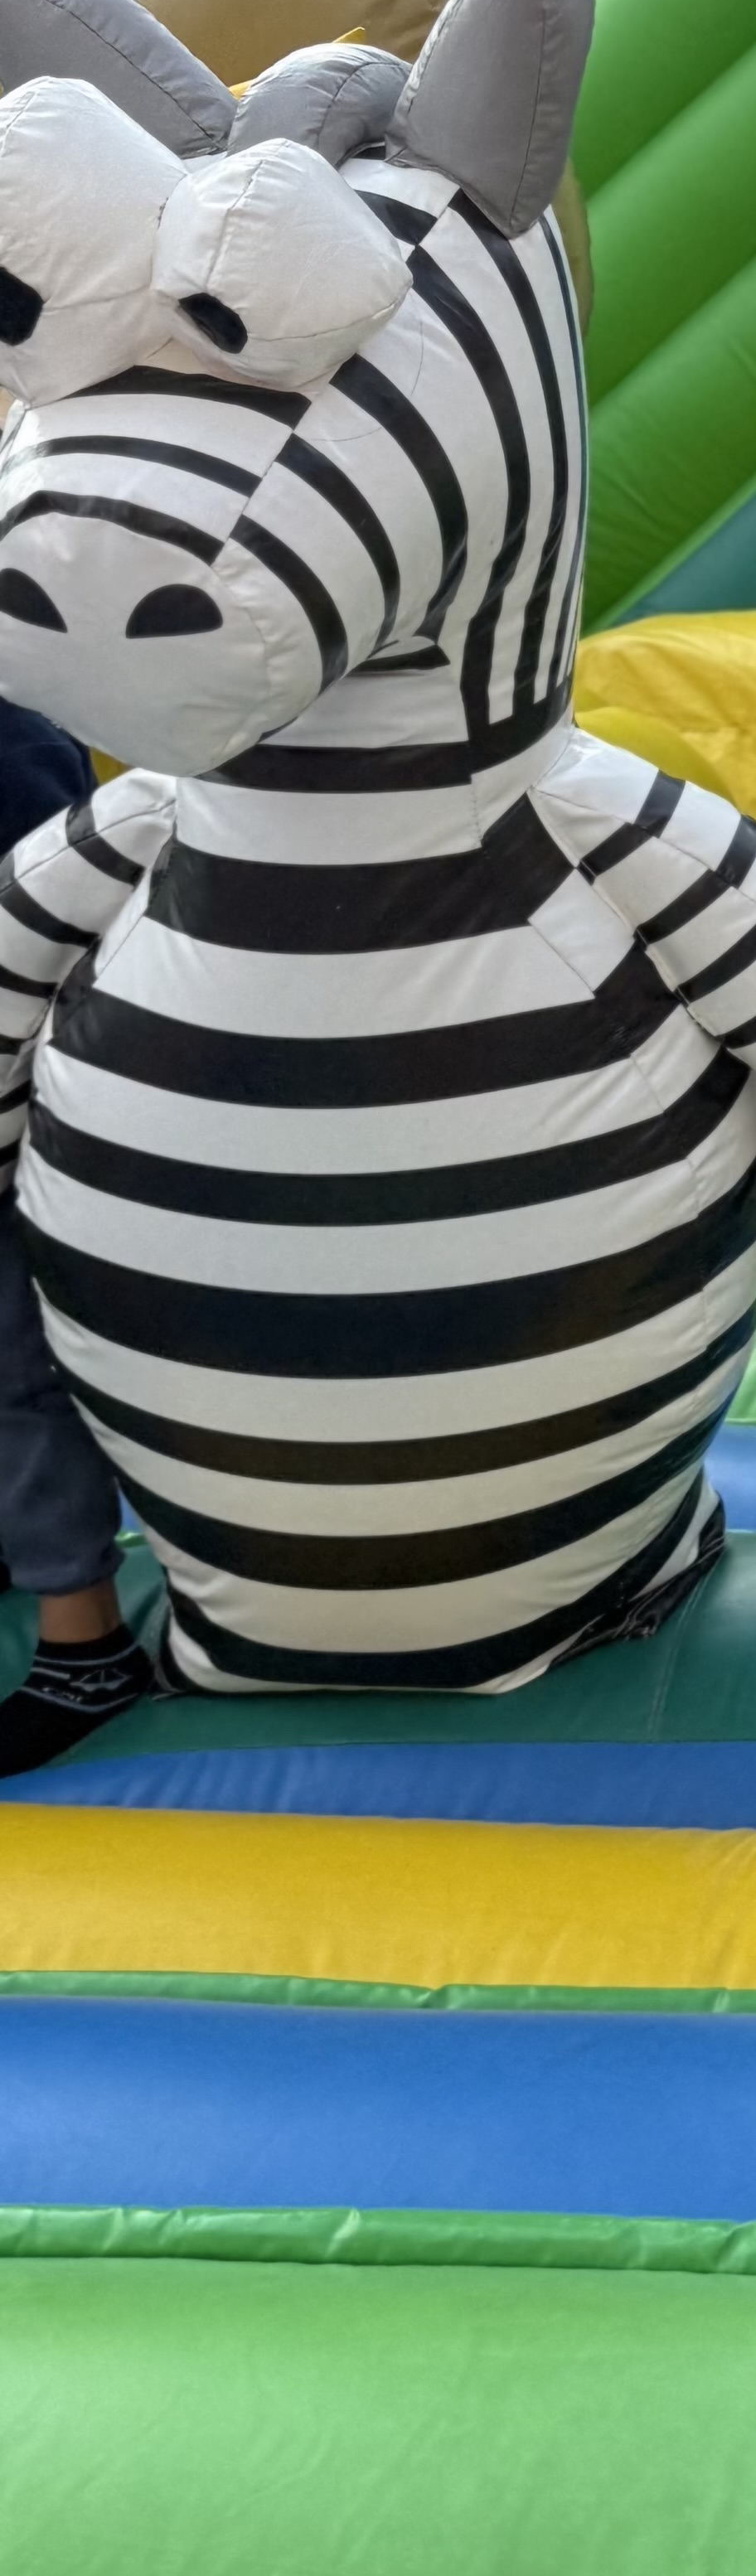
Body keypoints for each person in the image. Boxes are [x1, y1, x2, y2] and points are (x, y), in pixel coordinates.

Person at [0, 693, 156, 1777]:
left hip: (23, 1101)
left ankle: (84, 1637)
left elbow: (58, 919)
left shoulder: (16, 735)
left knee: (17, 1375)